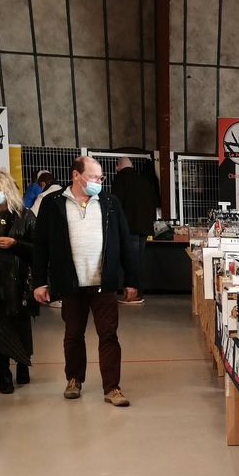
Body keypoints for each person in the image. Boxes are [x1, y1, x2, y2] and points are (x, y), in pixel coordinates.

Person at [32, 155, 138, 406]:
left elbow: (126, 242)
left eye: (100, 178)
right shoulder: (52, 203)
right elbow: (40, 246)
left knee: (108, 335)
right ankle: (74, 379)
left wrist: (131, 279)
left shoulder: (110, 203)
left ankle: (112, 387)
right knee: (73, 334)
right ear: (76, 175)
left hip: (104, 282)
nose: (98, 182)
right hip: (70, 283)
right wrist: (39, 281)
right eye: (93, 177)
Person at [0, 169, 37, 393]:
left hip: (20, 283)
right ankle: (4, 374)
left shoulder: (25, 216)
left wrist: (16, 244)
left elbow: (38, 250)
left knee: (21, 327)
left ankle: (22, 364)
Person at [111, 156, 157, 304]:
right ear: (132, 166)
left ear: (117, 167)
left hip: (129, 228)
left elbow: (116, 205)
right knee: (138, 260)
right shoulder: (144, 181)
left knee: (130, 261)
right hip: (145, 228)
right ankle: (138, 291)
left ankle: (132, 294)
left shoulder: (120, 180)